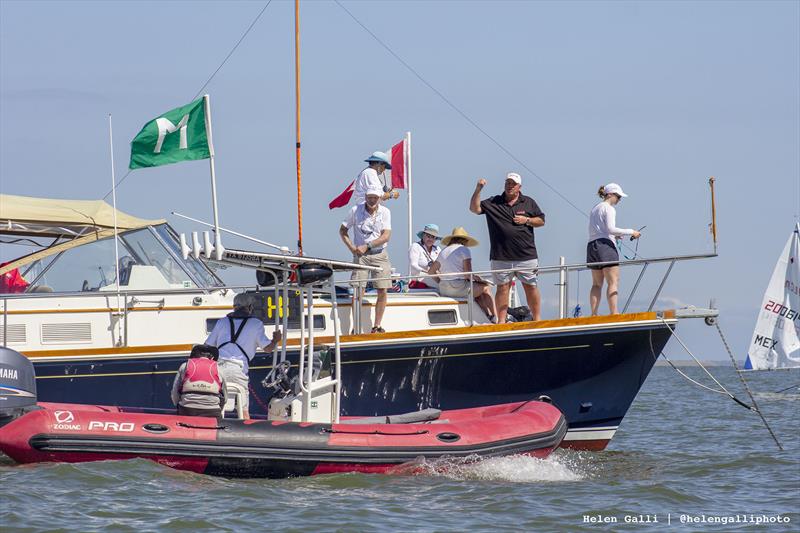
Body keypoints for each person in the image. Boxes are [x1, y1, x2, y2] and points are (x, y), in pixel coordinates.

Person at [470, 172, 545, 322]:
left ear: (519, 187)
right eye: (507, 183)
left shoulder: (528, 202)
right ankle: (501, 322)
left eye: (513, 184)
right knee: (503, 288)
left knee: (530, 287)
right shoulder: (494, 201)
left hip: (526, 255)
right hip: (501, 256)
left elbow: (541, 221)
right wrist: (478, 189)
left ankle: (538, 320)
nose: (510, 186)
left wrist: (527, 220)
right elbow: (474, 209)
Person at [205, 293, 282, 419]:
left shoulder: (222, 322)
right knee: (243, 410)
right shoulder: (256, 324)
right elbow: (268, 349)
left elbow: (208, 346)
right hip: (238, 370)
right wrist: (275, 340)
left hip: (217, 369)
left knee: (217, 406)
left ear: (234, 307)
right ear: (250, 307)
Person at [339, 185, 393, 333]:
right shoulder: (355, 210)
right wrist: (351, 248)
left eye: (375, 197)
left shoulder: (385, 212)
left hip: (379, 254)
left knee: (382, 289)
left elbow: (386, 236)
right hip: (361, 256)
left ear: (380, 198)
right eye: (370, 197)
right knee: (358, 291)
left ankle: (377, 325)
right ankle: (355, 327)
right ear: (365, 197)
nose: (372, 200)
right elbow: (343, 230)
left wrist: (367, 246)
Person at [587, 183, 641, 315]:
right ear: (610, 194)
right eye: (618, 196)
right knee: (613, 281)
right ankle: (614, 313)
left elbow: (601, 230)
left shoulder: (595, 208)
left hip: (592, 246)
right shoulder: (609, 208)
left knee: (596, 284)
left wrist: (615, 235)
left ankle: (594, 314)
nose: (619, 200)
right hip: (605, 247)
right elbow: (610, 229)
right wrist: (631, 232)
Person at [430, 227, 497, 322]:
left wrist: (441, 281)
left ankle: (487, 316)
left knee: (478, 292)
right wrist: (477, 278)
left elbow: (431, 272)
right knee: (486, 288)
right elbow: (467, 274)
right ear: (465, 240)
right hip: (458, 288)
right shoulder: (463, 250)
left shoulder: (443, 251)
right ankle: (496, 316)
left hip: (444, 289)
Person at [171, 344, 227, 418]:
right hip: (212, 411)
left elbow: (174, 394)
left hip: (187, 410)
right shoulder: (219, 368)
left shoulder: (184, 366)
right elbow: (225, 397)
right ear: (212, 357)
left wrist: (179, 405)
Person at [408, 223, 442, 289]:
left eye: (433, 237)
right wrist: (427, 272)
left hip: (436, 276)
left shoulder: (437, 249)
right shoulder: (415, 246)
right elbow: (413, 265)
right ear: (423, 236)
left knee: (448, 282)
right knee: (443, 285)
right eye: (428, 236)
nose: (431, 239)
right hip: (419, 277)